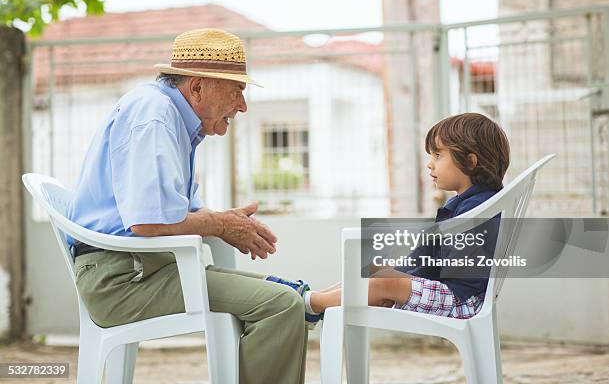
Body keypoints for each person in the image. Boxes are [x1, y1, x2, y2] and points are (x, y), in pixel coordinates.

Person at [67, 28, 309, 384]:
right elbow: (149, 223)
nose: (242, 105)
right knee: (280, 306)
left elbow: (177, 216)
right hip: (123, 279)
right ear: (197, 87)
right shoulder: (155, 115)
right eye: (236, 90)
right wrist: (220, 224)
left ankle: (309, 300)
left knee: (288, 296)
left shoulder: (169, 116)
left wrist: (223, 222)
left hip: (147, 269)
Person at [272, 112, 510, 322]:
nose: (430, 165)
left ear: (470, 161)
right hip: (453, 294)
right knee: (376, 273)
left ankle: (310, 303)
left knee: (384, 280)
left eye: (438, 156)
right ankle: (316, 297)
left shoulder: (479, 207)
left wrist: (397, 282)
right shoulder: (472, 203)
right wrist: (397, 275)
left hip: (462, 301)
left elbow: (439, 261)